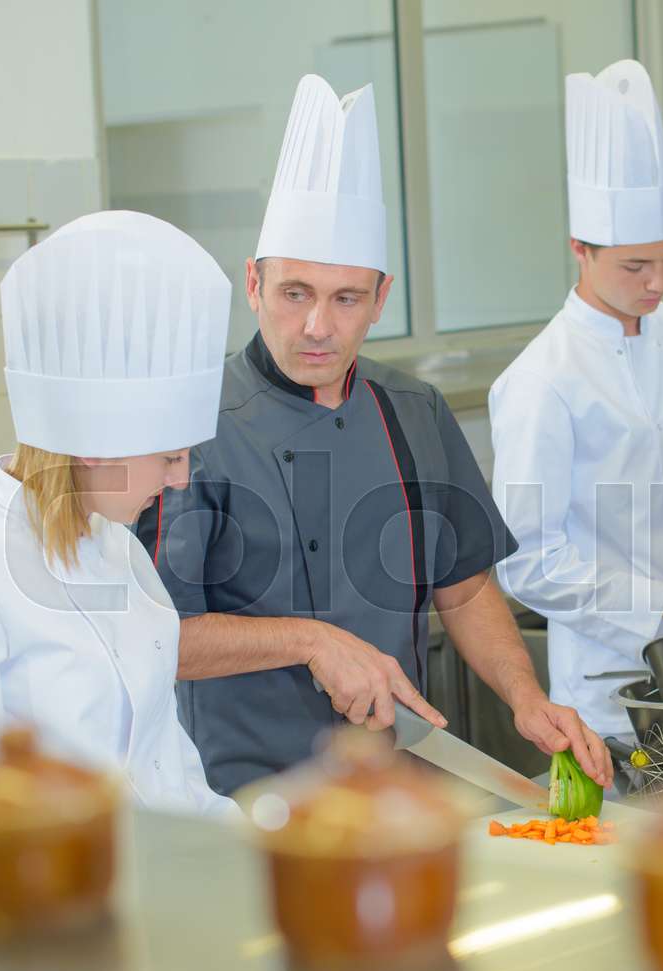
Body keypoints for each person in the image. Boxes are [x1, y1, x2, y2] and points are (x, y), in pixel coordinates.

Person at [140, 75, 612, 795]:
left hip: (397, 791)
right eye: (295, 293)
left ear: (381, 298)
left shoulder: (413, 409)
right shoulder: (191, 429)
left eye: (346, 298)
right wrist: (312, 640)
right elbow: (157, 635)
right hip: (246, 803)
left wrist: (526, 696)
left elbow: (464, 587)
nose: (318, 326)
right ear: (254, 284)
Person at [0, 210, 236, 825]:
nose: (179, 479)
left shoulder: (116, 549)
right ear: (94, 442)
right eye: (170, 455)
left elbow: (167, 772)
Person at [490, 59, 663, 742]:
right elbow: (528, 562)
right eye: (635, 266)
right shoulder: (541, 380)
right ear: (580, 251)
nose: (658, 282)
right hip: (611, 685)